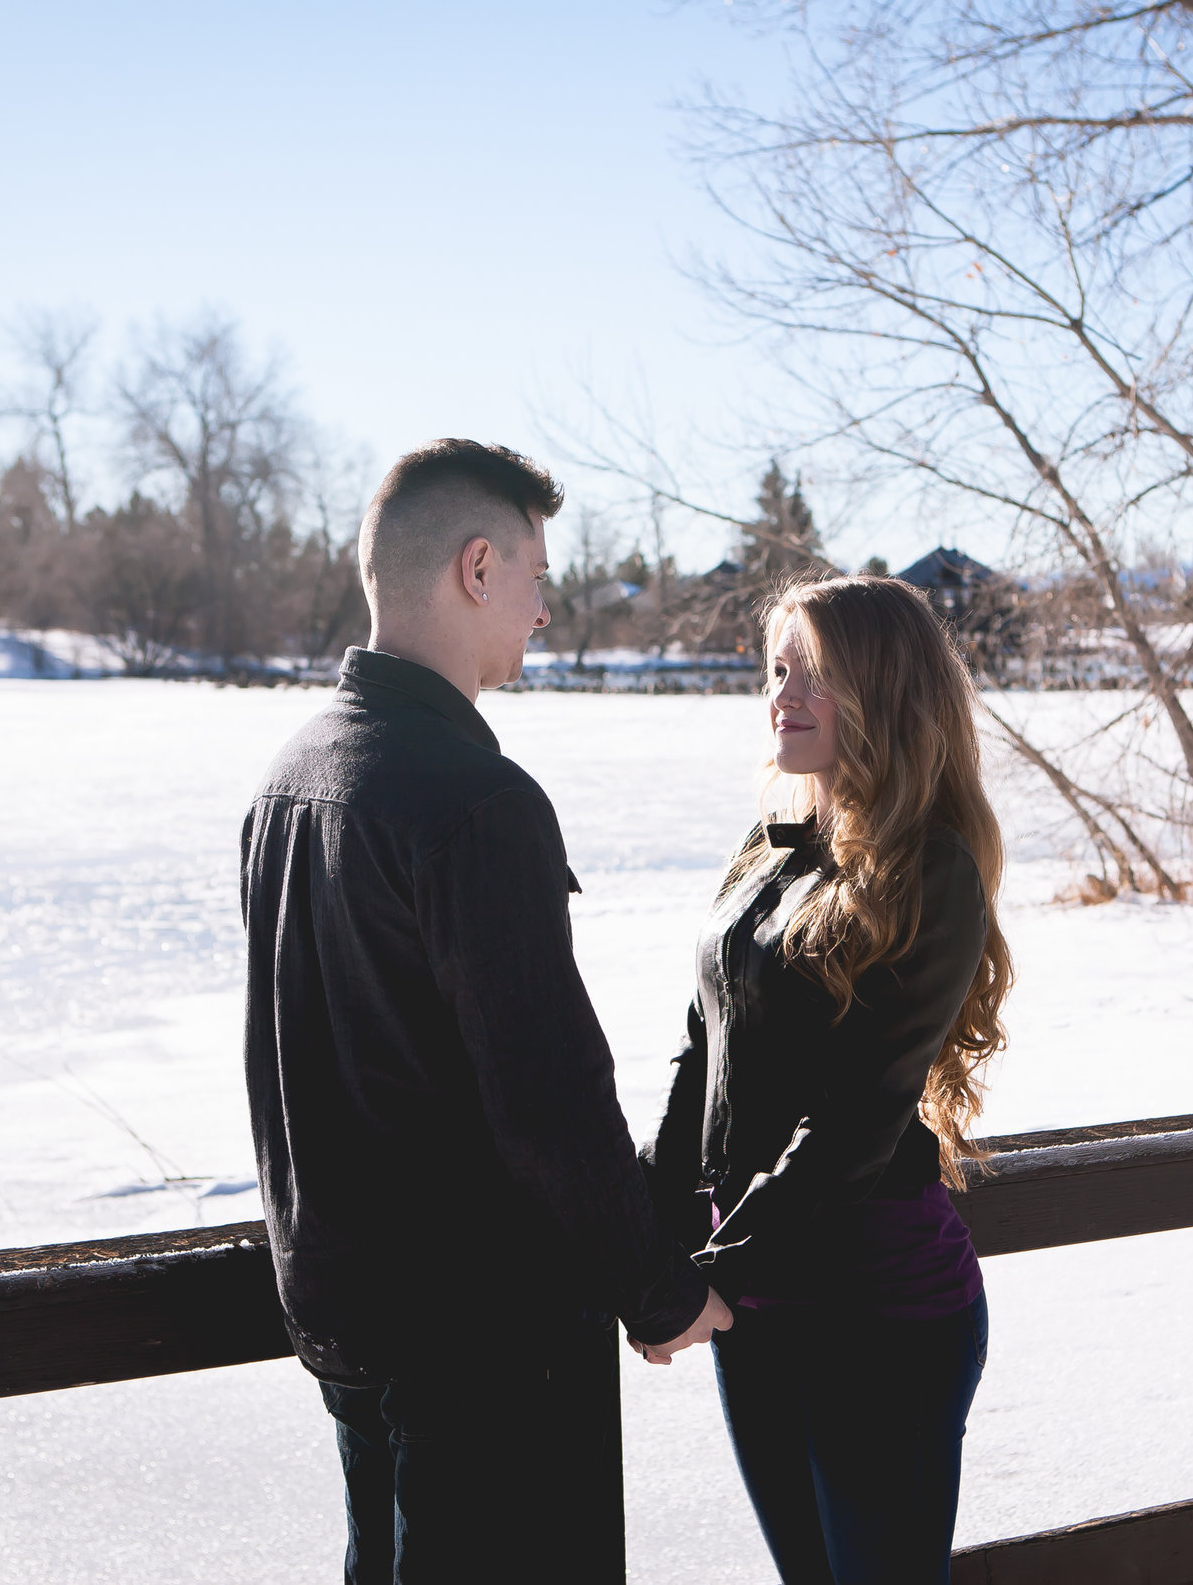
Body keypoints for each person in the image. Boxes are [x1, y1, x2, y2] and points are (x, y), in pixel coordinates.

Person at [241, 439, 733, 1585]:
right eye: (536, 574)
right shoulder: (476, 801)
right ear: (475, 568)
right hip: (481, 1346)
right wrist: (658, 1289)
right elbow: (546, 1094)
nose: (546, 609)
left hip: (348, 1323)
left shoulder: (289, 776)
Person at [640, 574, 1015, 1585]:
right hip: (754, 1301)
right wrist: (651, 1239)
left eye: (818, 673)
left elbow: (849, 1124)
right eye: (777, 668)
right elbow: (698, 1058)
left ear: (885, 692)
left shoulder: (927, 869)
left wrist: (704, 1272)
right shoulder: (765, 851)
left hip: (874, 1311)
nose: (783, 693)